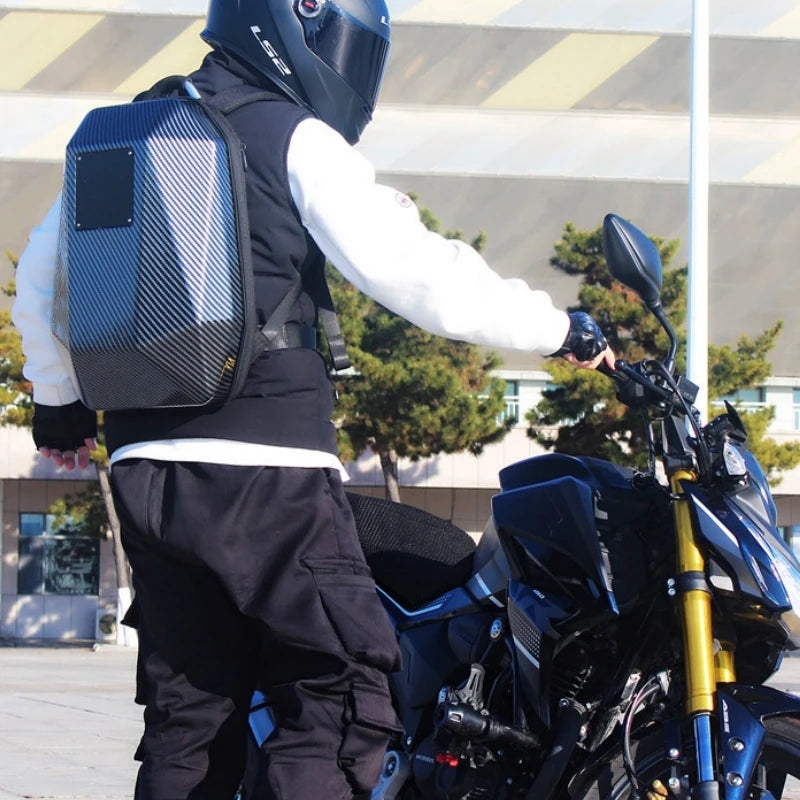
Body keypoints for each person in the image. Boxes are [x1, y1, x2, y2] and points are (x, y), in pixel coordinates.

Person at [12, 1, 616, 798]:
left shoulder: (124, 132)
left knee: (189, 716)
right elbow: (416, 273)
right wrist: (557, 329)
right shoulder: (291, 135)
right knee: (333, 696)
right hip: (269, 477)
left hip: (148, 476)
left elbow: (42, 281)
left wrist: (58, 405)